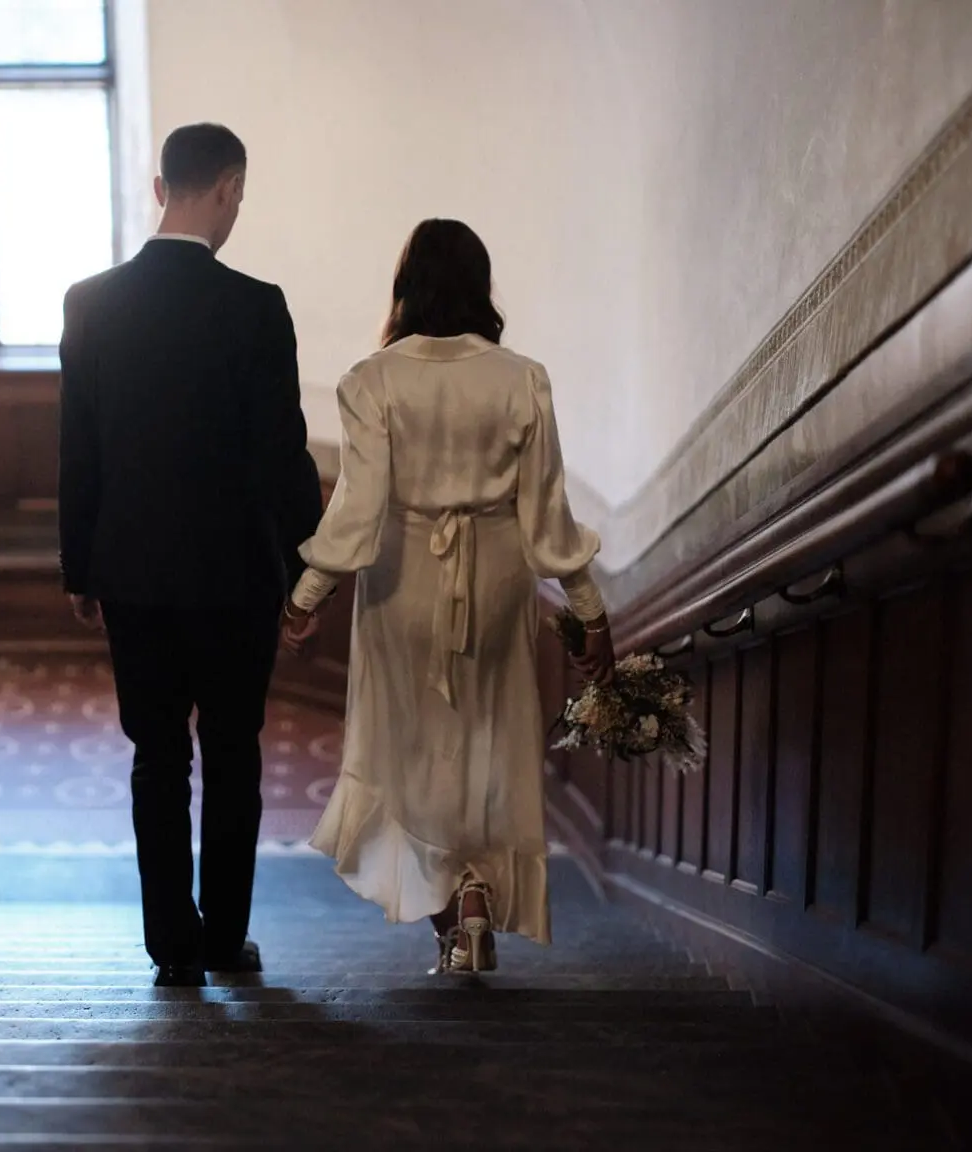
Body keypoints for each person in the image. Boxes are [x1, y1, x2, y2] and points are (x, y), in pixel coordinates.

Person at [281, 219, 614, 974]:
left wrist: (307, 594)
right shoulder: (521, 377)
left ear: (407, 286)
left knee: (413, 745)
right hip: (497, 577)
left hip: (403, 578)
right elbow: (547, 515)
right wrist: (589, 609)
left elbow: (358, 509)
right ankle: (473, 896)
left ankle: (452, 917)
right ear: (481, 287)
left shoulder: (373, 380)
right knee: (489, 738)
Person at [58, 124, 322, 988]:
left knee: (156, 754)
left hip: (131, 571)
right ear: (229, 187)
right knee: (235, 752)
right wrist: (306, 570)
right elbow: (284, 455)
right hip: (238, 578)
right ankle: (223, 938)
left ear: (158, 186)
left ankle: (171, 943)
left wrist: (79, 567)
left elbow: (79, 449)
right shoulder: (255, 306)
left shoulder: (90, 301)